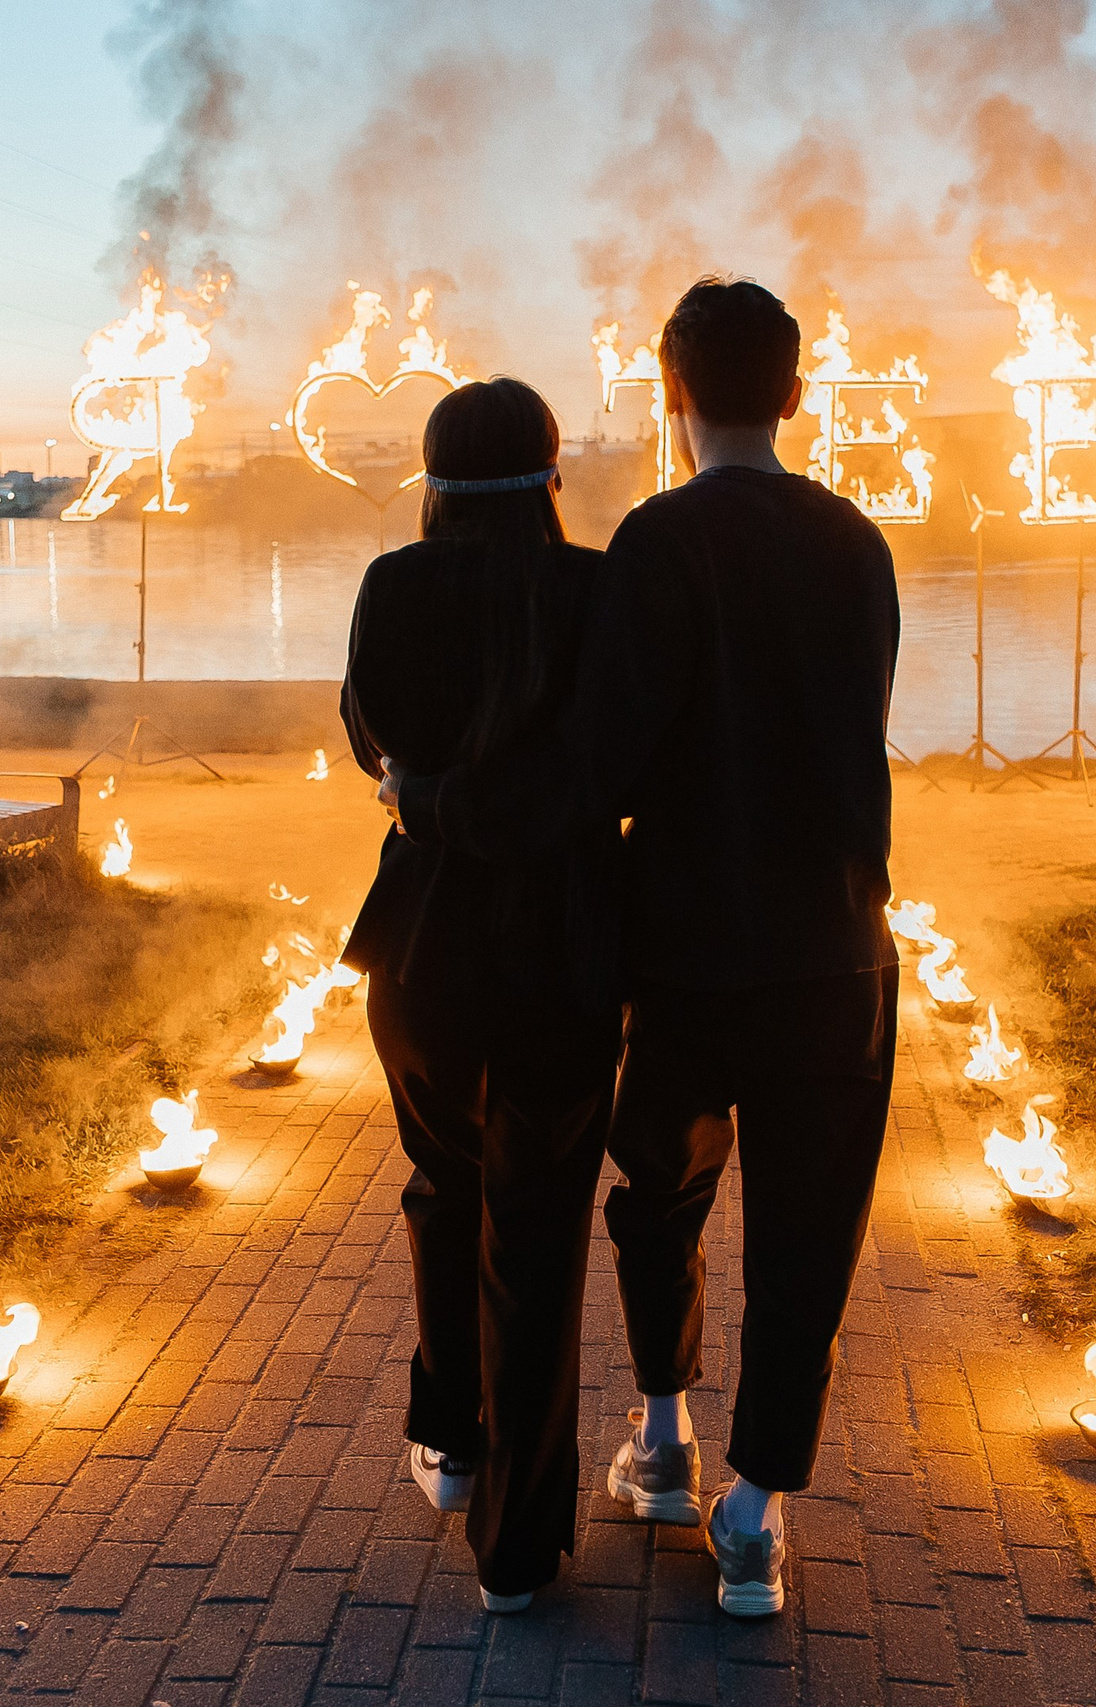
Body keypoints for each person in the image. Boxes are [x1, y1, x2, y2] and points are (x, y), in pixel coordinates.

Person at [381, 278, 900, 1617]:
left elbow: (595, 764)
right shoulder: (858, 541)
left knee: (659, 1197)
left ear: (671, 392)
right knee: (806, 1243)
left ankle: (662, 1435)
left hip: (680, 953)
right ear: (794, 394)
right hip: (838, 950)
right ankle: (753, 1512)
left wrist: (431, 803)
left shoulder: (656, 542)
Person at [338, 377, 623, 1615]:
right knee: (543, 1232)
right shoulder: (601, 591)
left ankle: (450, 1440)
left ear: (433, 479)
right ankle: (514, 1548)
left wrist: (425, 794)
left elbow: (367, 740)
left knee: (443, 1183)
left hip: (427, 951)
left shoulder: (393, 584)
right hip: (564, 954)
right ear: (553, 476)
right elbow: (612, 766)